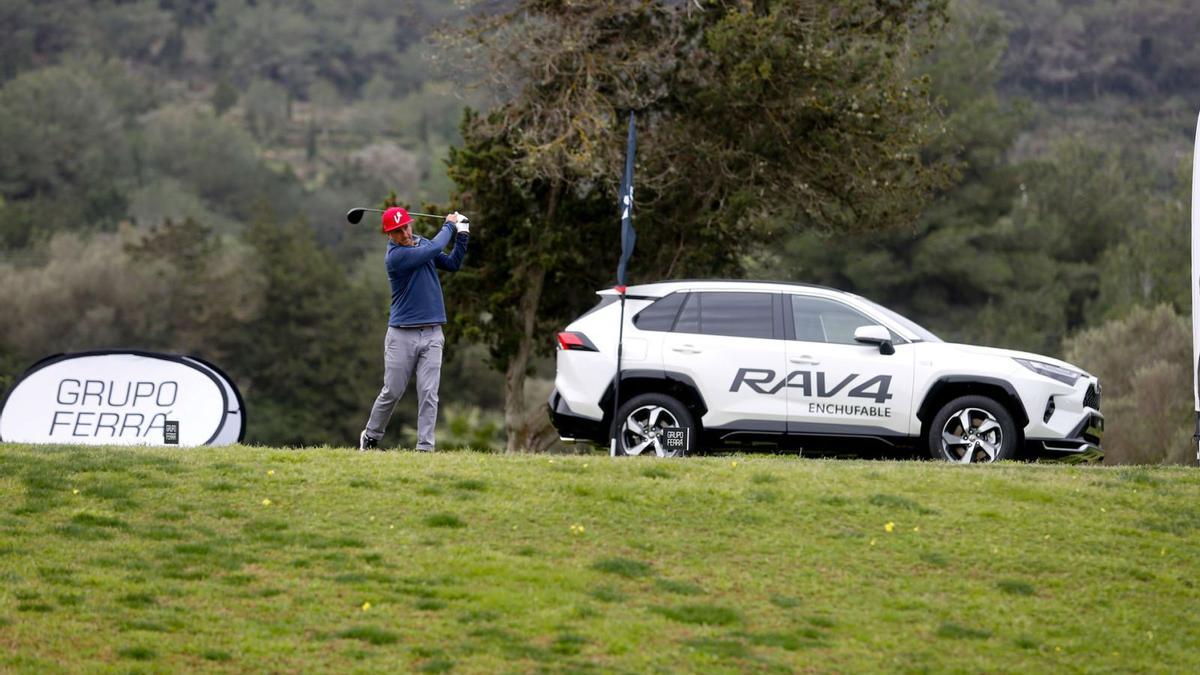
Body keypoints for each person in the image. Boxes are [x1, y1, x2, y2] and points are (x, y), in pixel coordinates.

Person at [359, 207, 469, 451]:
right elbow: (432, 250)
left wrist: (462, 234)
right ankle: (371, 436)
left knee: (429, 393)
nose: (405, 233)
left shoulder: (422, 242)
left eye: (406, 226)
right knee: (392, 391)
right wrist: (450, 226)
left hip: (432, 333)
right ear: (389, 235)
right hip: (401, 334)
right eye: (398, 231)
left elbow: (452, 264)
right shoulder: (395, 257)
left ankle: (425, 448)